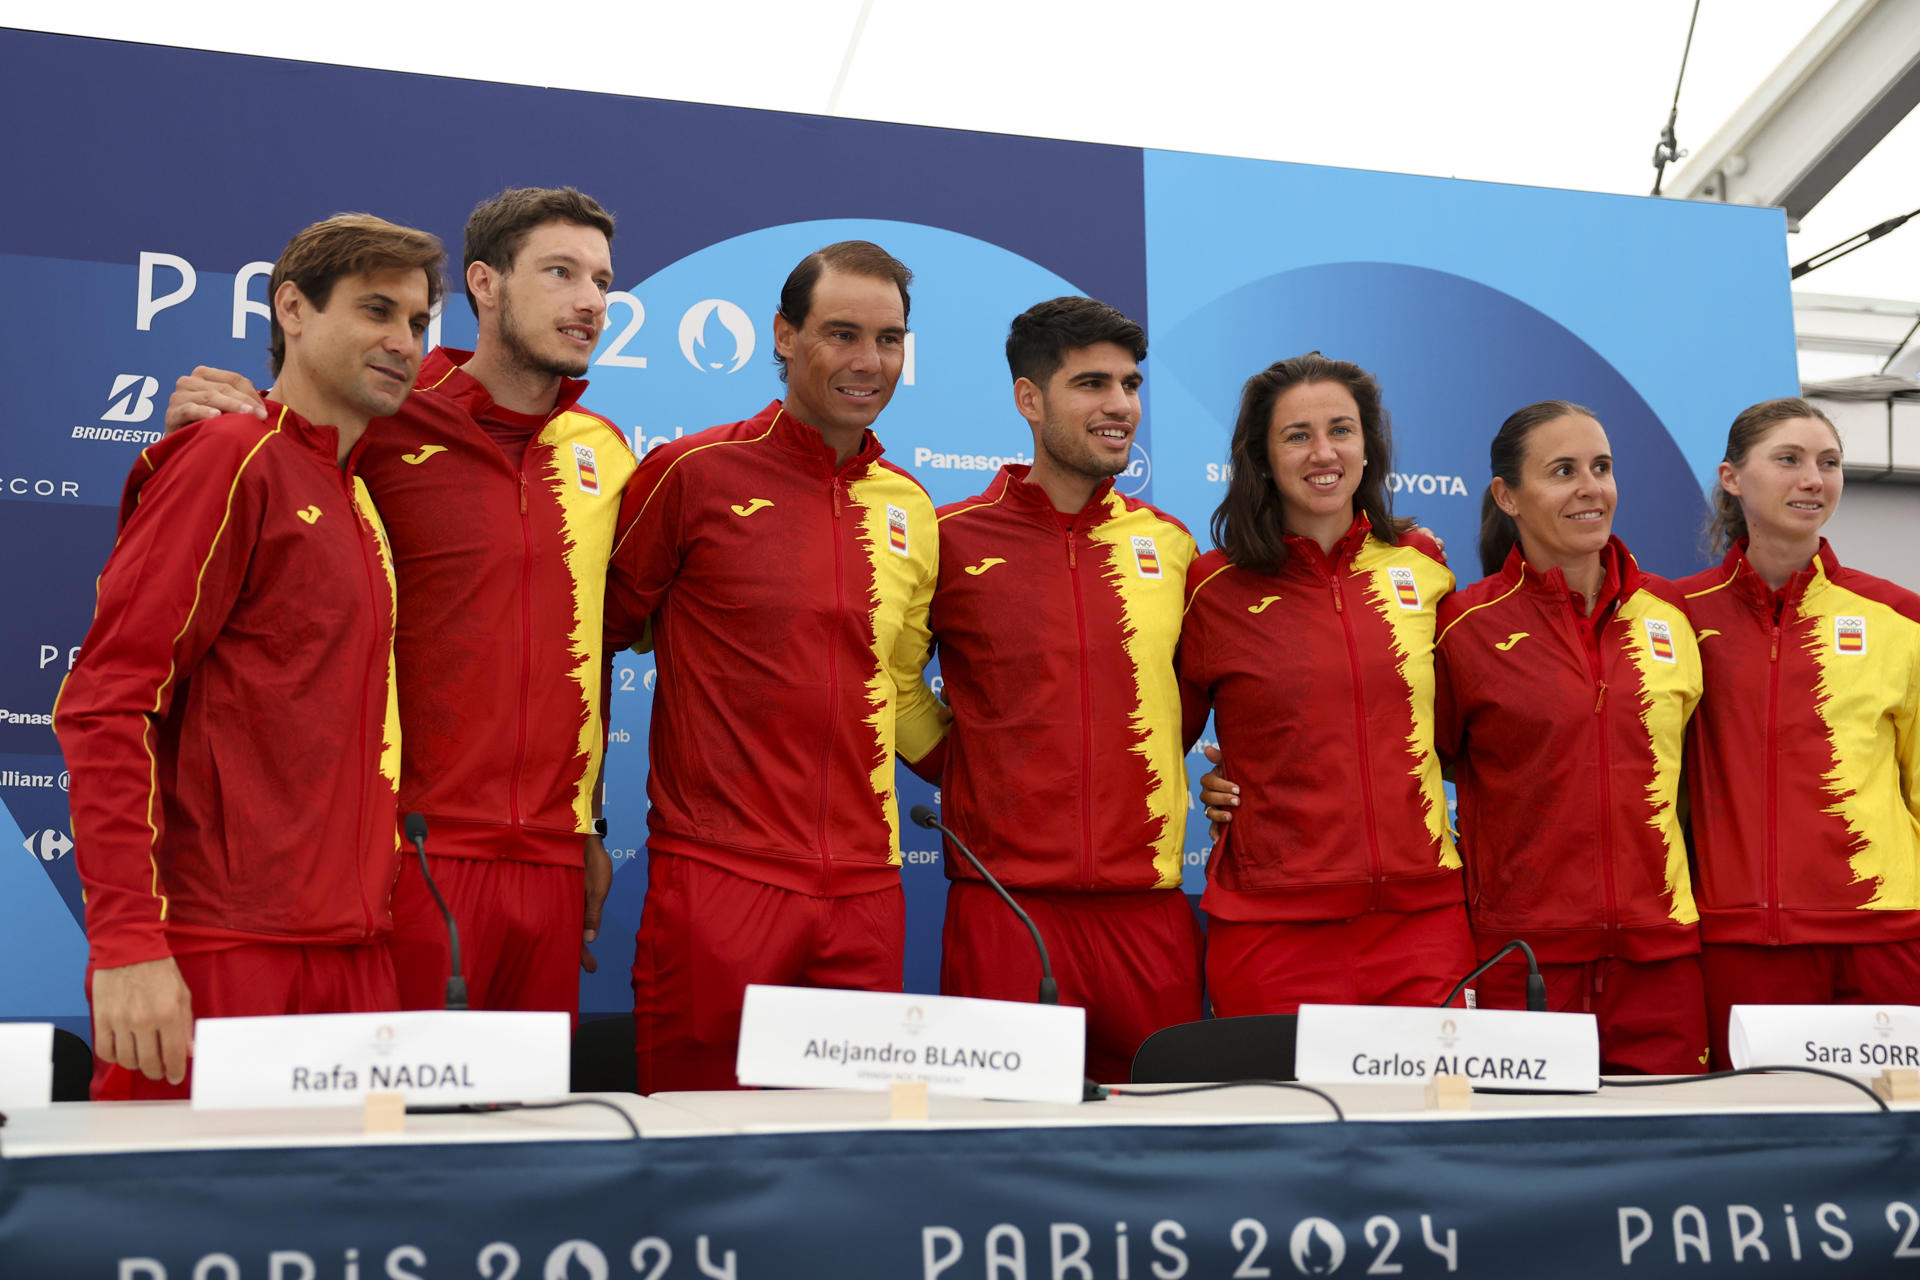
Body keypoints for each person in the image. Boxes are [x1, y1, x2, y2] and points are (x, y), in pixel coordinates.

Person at [163, 188, 632, 1020]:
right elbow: (256, 479)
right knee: (399, 1132)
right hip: (409, 852)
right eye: (560, 272)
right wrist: (186, 429)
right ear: (484, 285)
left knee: (525, 1135)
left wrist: (588, 824)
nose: (589, 300)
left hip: (555, 867)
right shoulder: (379, 413)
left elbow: (598, 638)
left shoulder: (605, 451)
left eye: (601, 279)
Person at [57, 213, 444, 1098]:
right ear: (294, 310)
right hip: (216, 952)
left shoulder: (357, 494)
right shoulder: (229, 457)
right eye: (376, 310)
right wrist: (127, 944)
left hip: (354, 956)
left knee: (336, 1232)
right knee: (161, 1230)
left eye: (419, 323)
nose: (402, 341)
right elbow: (107, 703)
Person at [604, 241, 948, 1093]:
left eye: (890, 339)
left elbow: (901, 697)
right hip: (721, 877)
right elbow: (588, 640)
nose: (870, 362)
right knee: (697, 1149)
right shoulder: (691, 474)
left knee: (851, 1162)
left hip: (868, 888)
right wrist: (580, 823)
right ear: (785, 336)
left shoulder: (910, 506)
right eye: (842, 333)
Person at [918, 297, 1202, 1084]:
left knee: (1167, 1137)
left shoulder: (1171, 544)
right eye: (1092, 384)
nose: (1120, 406)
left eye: (1130, 384)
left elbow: (1193, 694)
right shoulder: (952, 536)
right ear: (1029, 399)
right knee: (998, 1143)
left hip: (1147, 907)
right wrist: (980, 767)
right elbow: (893, 682)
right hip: (1005, 905)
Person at [1178, 353, 1469, 1015]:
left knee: (1429, 1120)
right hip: (1270, 929)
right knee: (1277, 1120)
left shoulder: (1422, 565)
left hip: (1420, 926)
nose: (1323, 452)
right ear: (1262, 457)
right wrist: (1215, 782)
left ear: (1368, 447)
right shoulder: (1214, 586)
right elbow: (1160, 740)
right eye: (1297, 435)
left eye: (1341, 429)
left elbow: (1461, 733)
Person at [1434, 400, 1707, 1073]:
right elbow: (1400, 765)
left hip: (1661, 957)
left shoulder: (1671, 614)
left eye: (1602, 467)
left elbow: (1709, 783)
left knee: (1671, 1166)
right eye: (1562, 471)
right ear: (1508, 497)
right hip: (1524, 960)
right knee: (1530, 1167)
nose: (1591, 488)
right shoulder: (1466, 628)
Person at [1676, 397, 1920, 1067]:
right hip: (1741, 940)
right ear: (1732, 477)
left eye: (1829, 463)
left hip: (1885, 936)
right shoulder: (1674, 617)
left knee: (1896, 1149)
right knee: (1759, 1146)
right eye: (1788, 460)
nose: (1813, 479)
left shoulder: (1900, 617)